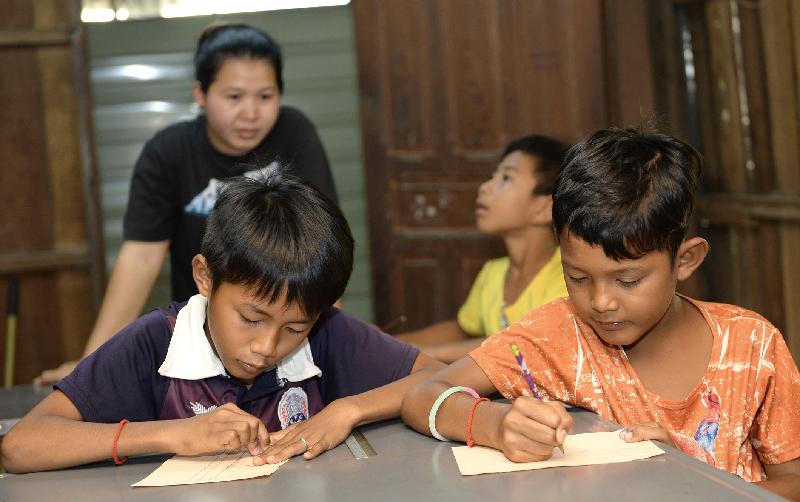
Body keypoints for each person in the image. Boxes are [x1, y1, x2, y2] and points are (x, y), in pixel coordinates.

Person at [400, 128, 800, 499]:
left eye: (627, 280)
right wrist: (495, 426)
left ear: (686, 260)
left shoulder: (751, 344)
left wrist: (693, 478)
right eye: (577, 277)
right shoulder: (557, 334)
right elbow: (423, 395)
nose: (601, 302)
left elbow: (794, 480)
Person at [2, 171, 442, 473]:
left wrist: (349, 408)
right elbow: (21, 446)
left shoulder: (327, 331)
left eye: (294, 329)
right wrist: (174, 434)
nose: (268, 347)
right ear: (205, 277)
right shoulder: (155, 343)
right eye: (251, 318)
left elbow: (440, 379)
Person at [36, 23, 338, 384]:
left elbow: (321, 246)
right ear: (200, 93)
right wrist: (90, 364)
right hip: (205, 336)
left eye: (265, 96)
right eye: (233, 97)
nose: (251, 113)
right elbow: (140, 259)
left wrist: (335, 347)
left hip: (284, 333)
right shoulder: (168, 153)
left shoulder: (294, 133)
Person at [396, 136, 569, 362]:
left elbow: (520, 344)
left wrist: (422, 355)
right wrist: (390, 342)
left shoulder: (568, 275)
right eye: (492, 177)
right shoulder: (492, 273)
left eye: (506, 178)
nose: (485, 187)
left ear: (544, 207)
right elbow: (462, 330)